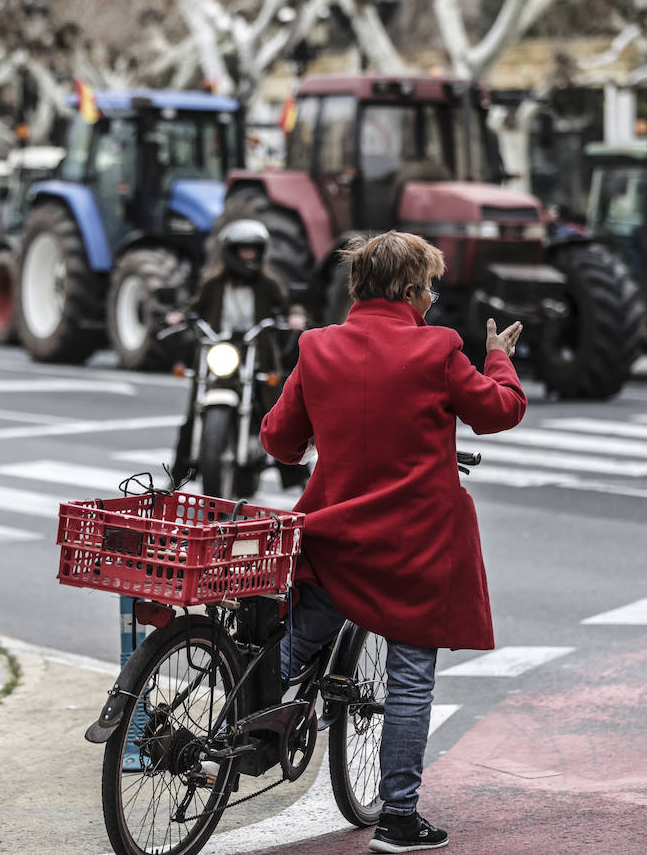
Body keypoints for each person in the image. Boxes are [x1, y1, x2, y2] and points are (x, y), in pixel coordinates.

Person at [260, 230, 525, 853]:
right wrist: (498, 356)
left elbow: (278, 440)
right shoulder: (437, 349)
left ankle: (226, 737)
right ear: (410, 289)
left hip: (333, 540)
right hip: (416, 547)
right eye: (429, 285)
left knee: (293, 644)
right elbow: (498, 410)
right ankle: (398, 818)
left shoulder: (317, 347)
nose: (432, 297)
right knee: (410, 678)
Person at [167, 218, 307, 486]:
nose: (249, 256)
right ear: (231, 252)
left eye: (254, 251)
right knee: (195, 411)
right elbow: (194, 308)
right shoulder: (213, 284)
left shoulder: (269, 284)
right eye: (244, 250)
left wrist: (295, 317)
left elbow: (290, 306)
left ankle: (296, 475)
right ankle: (179, 477)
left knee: (278, 411)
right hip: (219, 349)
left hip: (257, 351)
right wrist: (179, 316)